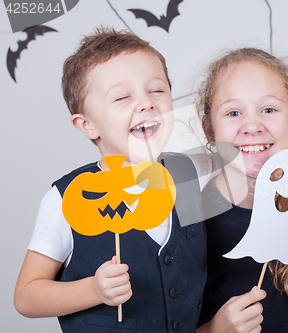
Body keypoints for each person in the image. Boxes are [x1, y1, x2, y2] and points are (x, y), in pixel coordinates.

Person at [14, 27, 220, 332]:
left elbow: (259, 159)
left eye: (157, 90)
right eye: (123, 97)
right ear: (87, 125)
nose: (146, 103)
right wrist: (93, 291)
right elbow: (26, 297)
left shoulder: (194, 172)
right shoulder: (67, 198)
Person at [195, 48, 288, 333]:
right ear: (209, 130)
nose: (252, 126)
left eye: (268, 110)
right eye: (233, 113)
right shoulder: (188, 214)